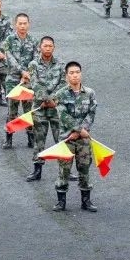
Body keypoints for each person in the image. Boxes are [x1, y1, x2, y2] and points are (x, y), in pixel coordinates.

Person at [51, 61, 98, 213]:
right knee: (64, 170)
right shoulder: (60, 94)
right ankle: (61, 201)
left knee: (84, 168)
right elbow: (63, 116)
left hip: (83, 139)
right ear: (66, 76)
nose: (75, 75)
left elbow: (91, 114)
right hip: (66, 139)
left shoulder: (90, 93)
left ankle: (86, 201)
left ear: (81, 74)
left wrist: (80, 131)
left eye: (77, 72)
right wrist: (78, 130)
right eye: (71, 73)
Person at [24, 36, 62, 182]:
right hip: (40, 108)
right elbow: (35, 85)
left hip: (56, 109)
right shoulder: (33, 64)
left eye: (50, 46)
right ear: (40, 47)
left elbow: (63, 84)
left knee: (61, 140)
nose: (48, 48)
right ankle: (37, 170)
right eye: (45, 46)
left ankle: (65, 170)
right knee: (39, 140)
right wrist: (47, 100)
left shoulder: (60, 64)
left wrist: (54, 101)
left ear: (54, 48)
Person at [0, 13, 38, 148]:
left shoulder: (34, 41)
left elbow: (36, 59)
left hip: (28, 80)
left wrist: (28, 73)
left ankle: (31, 137)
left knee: (28, 111)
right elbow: (9, 58)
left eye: (25, 23)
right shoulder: (9, 40)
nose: (22, 26)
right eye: (20, 23)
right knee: (12, 111)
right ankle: (9, 138)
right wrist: (22, 72)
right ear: (15, 24)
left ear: (29, 24)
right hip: (13, 80)